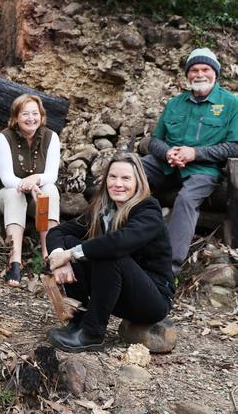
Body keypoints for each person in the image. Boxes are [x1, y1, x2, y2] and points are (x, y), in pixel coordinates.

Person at [45, 152, 174, 352]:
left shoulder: (148, 210)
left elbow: (119, 243)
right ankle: (78, 322)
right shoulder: (103, 209)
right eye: (112, 177)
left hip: (152, 300)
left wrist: (70, 254)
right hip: (116, 293)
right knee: (71, 241)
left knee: (108, 253)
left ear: (138, 182)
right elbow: (58, 231)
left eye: (125, 178)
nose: (117, 183)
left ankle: (92, 334)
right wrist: (60, 256)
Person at [142, 48, 238, 275]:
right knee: (129, 172)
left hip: (204, 169)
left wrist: (195, 154)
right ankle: (106, 241)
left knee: (186, 199)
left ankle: (167, 270)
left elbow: (235, 146)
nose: (199, 74)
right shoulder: (175, 103)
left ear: (215, 73)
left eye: (205, 69)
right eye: (194, 70)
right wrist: (167, 153)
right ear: (187, 75)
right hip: (166, 163)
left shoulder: (231, 104)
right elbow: (155, 140)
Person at [0, 94, 60, 286]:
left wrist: (36, 179)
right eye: (25, 114)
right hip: (7, 195)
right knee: (15, 193)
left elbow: (51, 174)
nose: (31, 118)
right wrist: (28, 185)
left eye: (35, 113)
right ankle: (14, 262)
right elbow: (7, 179)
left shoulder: (50, 137)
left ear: (42, 115)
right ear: (15, 117)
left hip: (37, 197)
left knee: (51, 190)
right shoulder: (4, 138)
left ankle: (50, 256)